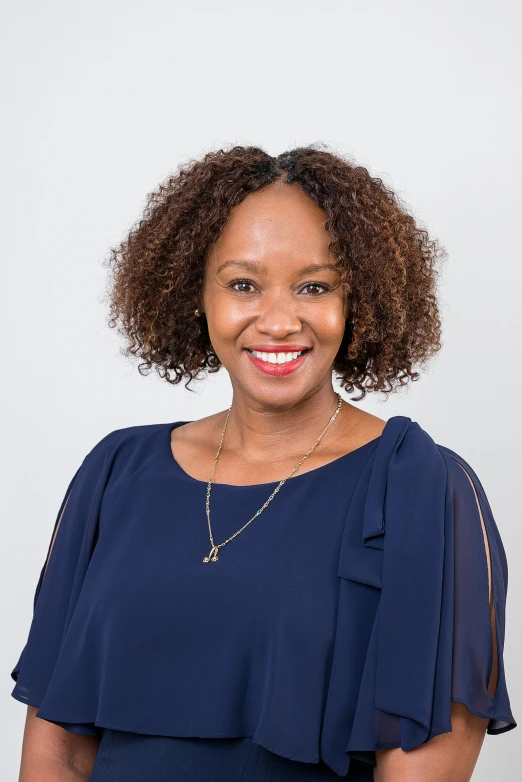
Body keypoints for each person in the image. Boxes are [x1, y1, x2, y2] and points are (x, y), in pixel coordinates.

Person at [10, 145, 517, 781]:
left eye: (314, 286)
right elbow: (55, 750)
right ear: (196, 294)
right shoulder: (116, 472)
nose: (278, 321)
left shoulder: (421, 490)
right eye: (243, 284)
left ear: (357, 300)